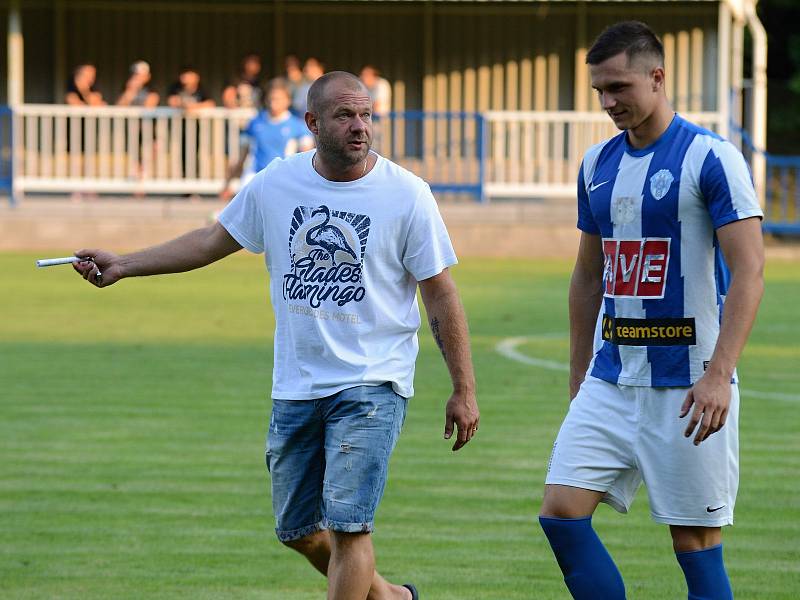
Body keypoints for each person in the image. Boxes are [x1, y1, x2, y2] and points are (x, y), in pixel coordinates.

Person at [72, 70, 479, 600]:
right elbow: (211, 240)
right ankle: (392, 598)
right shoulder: (276, 183)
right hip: (297, 384)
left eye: (366, 115)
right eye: (345, 116)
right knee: (300, 532)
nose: (361, 127)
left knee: (351, 526)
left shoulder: (407, 195)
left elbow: (440, 292)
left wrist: (463, 388)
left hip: (372, 383)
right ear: (311, 122)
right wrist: (124, 264)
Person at [538, 21, 764, 600]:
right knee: (560, 514)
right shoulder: (597, 164)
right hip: (611, 378)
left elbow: (750, 271)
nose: (608, 103)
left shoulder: (712, 159)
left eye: (618, 87)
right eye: (599, 92)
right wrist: (578, 374)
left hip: (689, 383)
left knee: (694, 544)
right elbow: (589, 275)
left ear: (657, 78)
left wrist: (718, 376)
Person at [220, 79, 313, 200]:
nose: (273, 102)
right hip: (255, 176)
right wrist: (228, 183)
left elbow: (307, 157)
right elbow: (243, 155)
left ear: (288, 101)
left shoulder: (298, 126)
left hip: (284, 179)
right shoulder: (255, 122)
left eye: (278, 99)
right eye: (271, 98)